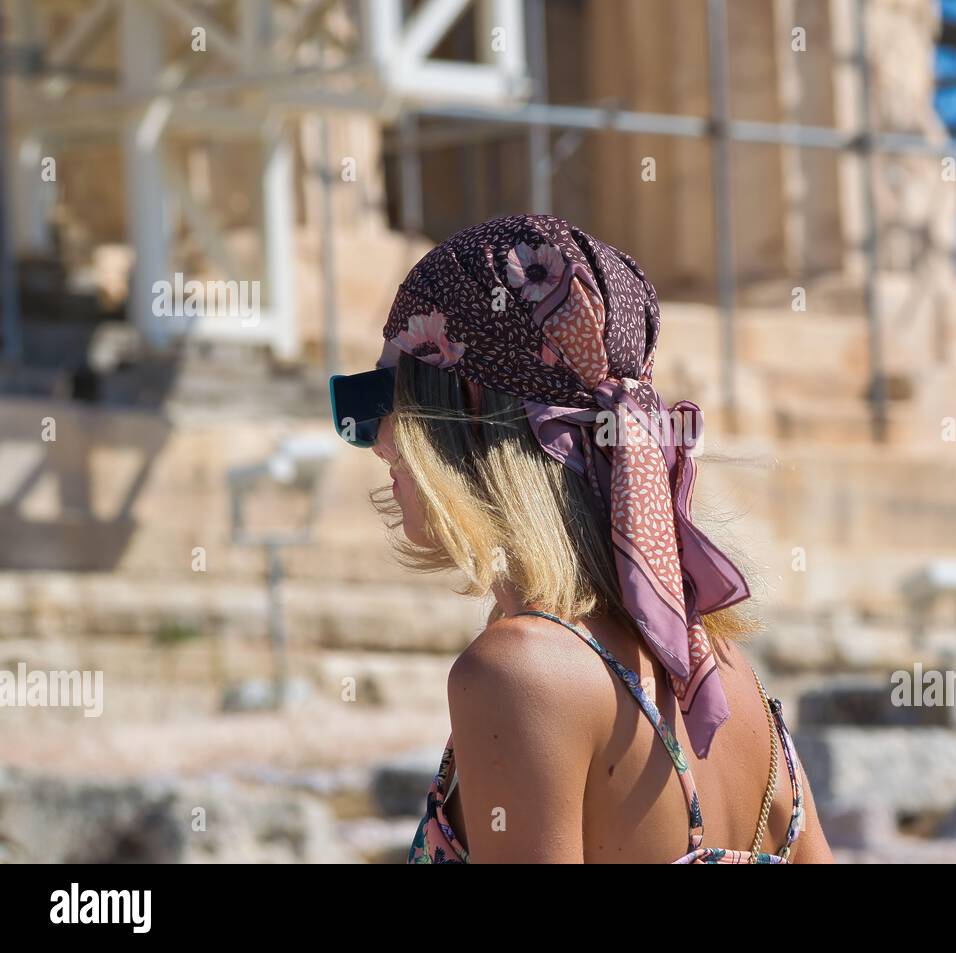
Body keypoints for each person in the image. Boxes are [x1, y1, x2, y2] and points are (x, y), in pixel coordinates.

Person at [330, 214, 833, 863]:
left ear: (470, 412)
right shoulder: (725, 674)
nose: (376, 440)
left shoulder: (522, 672)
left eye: (383, 396)